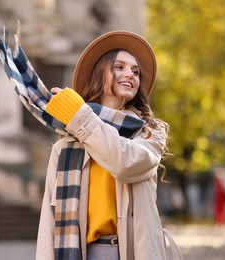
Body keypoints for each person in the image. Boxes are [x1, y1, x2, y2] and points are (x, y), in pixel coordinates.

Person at [35, 31, 182, 260]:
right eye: (119, 67)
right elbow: (49, 221)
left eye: (135, 71)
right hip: (83, 252)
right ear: (99, 74)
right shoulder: (65, 145)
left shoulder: (150, 132)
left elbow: (125, 163)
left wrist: (81, 117)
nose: (130, 74)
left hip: (136, 252)